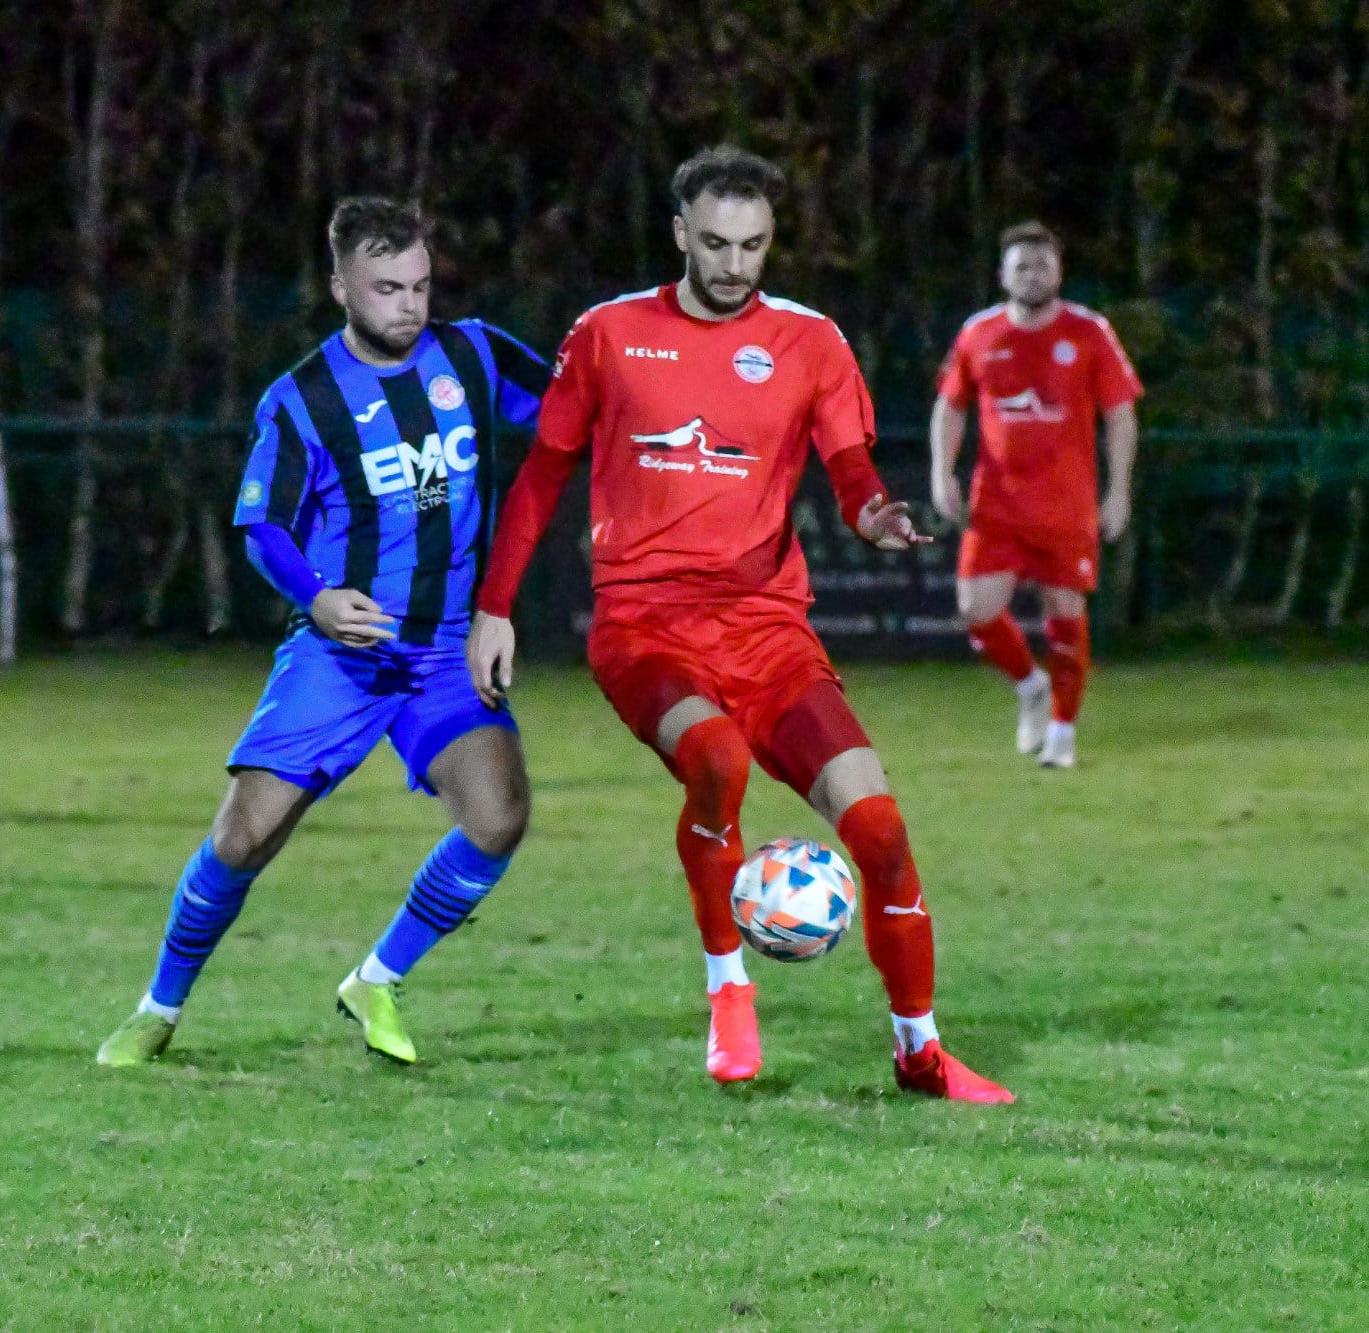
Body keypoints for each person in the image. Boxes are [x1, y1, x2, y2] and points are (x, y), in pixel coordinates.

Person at [468, 146, 1013, 1104]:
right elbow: (543, 473)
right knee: (716, 758)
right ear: (681, 233)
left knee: (881, 829)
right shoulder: (608, 333)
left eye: (753, 245)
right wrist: (494, 606)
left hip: (768, 631)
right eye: (716, 243)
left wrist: (874, 513)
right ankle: (729, 989)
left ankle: (921, 1053)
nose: (734, 264)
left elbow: (850, 468)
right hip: (644, 627)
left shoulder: (810, 341)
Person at [95, 197, 550, 1067]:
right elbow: (263, 527)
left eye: (420, 285)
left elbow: (578, 408)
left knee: (498, 817)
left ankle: (376, 979)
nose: (409, 306)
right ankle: (158, 1007)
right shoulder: (302, 399)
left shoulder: (474, 355)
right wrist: (318, 596)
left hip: (446, 647)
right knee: (244, 836)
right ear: (340, 287)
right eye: (386, 289)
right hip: (342, 655)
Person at [930, 221, 1143, 769]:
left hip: (1067, 505)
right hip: (996, 503)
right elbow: (951, 406)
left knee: (1066, 613)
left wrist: (1119, 490)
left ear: (1059, 272)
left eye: (1042, 265)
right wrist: (942, 471)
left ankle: (1063, 733)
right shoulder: (979, 333)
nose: (1032, 275)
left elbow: (1120, 413)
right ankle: (1030, 687)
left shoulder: (1089, 332)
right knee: (976, 610)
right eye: (1021, 266)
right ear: (1003, 275)